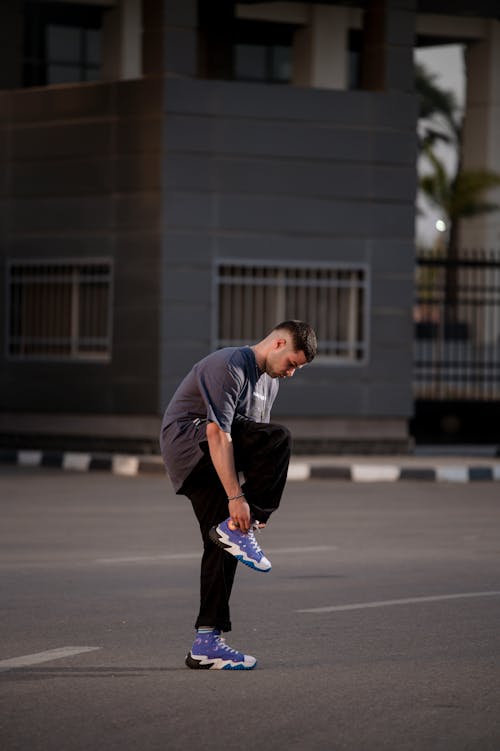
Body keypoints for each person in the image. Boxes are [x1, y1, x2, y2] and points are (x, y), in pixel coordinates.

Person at [160, 320, 317, 670]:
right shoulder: (230, 365)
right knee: (279, 439)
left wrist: (242, 509)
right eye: (292, 363)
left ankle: (207, 641)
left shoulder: (269, 385)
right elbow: (220, 434)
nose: (291, 373)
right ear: (278, 343)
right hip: (190, 445)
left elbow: (250, 447)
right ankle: (247, 519)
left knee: (225, 541)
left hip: (213, 458)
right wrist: (239, 498)